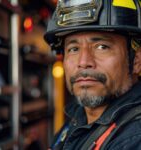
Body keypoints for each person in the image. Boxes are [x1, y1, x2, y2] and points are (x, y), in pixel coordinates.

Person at [44, 0, 141, 149]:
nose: (83, 62)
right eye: (74, 49)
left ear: (136, 61)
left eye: (102, 47)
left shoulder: (134, 138)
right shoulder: (77, 119)